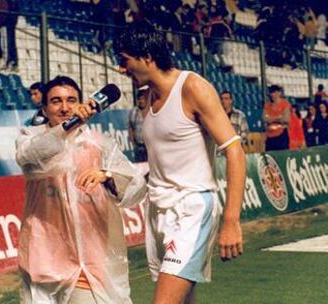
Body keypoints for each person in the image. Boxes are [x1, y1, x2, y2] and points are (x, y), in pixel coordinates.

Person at [115, 21, 246, 304]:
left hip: (192, 208)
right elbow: (162, 166)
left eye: (124, 61)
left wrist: (232, 220)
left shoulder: (193, 87)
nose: (120, 69)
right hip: (159, 210)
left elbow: (235, 151)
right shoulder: (148, 97)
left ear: (147, 56)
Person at [15, 75, 147, 304]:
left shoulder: (98, 144)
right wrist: (71, 125)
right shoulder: (30, 138)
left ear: (80, 103)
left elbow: (136, 185)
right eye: (56, 101)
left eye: (71, 100)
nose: (65, 108)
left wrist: (107, 176)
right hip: (44, 258)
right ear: (44, 109)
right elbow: (31, 157)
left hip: (88, 261)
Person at [264, 85, 291, 151]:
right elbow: (264, 119)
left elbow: (285, 119)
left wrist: (271, 119)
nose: (272, 94)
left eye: (273, 92)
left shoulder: (284, 104)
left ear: (278, 93)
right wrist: (278, 118)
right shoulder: (267, 105)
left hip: (281, 135)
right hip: (270, 136)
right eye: (271, 92)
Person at [0, 0, 19, 71]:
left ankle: (8, 63)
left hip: (5, 23)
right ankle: (13, 62)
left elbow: (3, 10)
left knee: (6, 43)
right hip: (10, 22)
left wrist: (1, 22)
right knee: (10, 42)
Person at [128, 86, 149, 162]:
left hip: (150, 145)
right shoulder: (134, 111)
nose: (141, 101)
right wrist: (133, 142)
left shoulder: (151, 110)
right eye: (139, 99)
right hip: (138, 146)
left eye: (143, 99)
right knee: (140, 166)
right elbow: (131, 127)